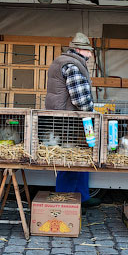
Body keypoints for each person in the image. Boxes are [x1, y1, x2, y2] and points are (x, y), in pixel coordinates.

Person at [45, 32, 100, 206]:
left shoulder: (63, 62)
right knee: (69, 161)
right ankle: (67, 202)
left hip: (63, 118)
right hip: (69, 120)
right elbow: (81, 99)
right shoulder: (72, 65)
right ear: (77, 49)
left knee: (82, 159)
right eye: (87, 51)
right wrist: (92, 114)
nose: (90, 55)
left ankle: (82, 197)